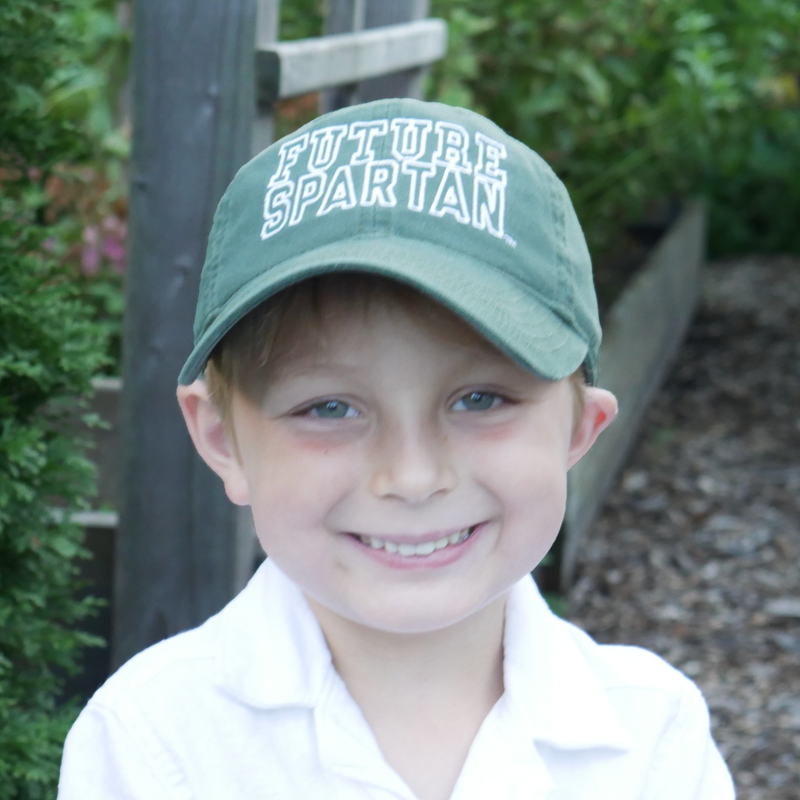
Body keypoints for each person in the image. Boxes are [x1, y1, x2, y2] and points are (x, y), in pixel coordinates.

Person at [58, 99, 735, 800]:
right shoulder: (151, 742)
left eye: (480, 399)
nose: (412, 477)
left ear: (578, 430)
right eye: (328, 408)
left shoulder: (653, 736)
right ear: (222, 439)